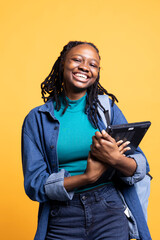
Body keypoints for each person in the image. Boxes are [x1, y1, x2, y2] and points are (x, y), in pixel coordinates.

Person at [21, 41, 151, 240]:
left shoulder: (107, 109)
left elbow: (140, 166)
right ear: (63, 63)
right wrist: (86, 177)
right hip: (62, 215)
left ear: (97, 72)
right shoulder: (37, 119)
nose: (85, 67)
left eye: (93, 64)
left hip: (109, 208)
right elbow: (34, 184)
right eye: (77, 60)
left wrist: (117, 160)